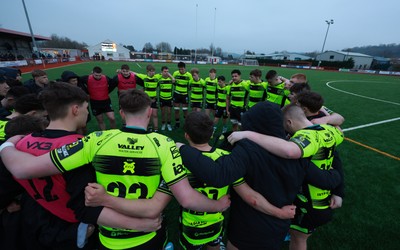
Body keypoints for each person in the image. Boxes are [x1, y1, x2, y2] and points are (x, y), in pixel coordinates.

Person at [1, 89, 230, 250]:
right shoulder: (165, 144)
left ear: (121, 113)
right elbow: (188, 199)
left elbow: (23, 169)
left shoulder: (95, 140)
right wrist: (218, 205)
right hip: (148, 233)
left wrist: (8, 143)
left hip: (109, 236)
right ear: (149, 112)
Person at [0, 83, 162, 249]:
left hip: (34, 221)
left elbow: (9, 182)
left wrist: (6, 145)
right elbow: (87, 206)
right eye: (86, 107)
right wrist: (138, 225)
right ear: (75, 110)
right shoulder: (81, 148)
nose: (87, 111)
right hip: (74, 229)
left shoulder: (21, 143)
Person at [177, 102, 342, 250]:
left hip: (246, 227)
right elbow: (326, 179)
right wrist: (337, 183)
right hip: (278, 227)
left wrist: (180, 148)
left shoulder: (246, 149)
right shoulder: (297, 153)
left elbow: (218, 174)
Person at [227, 103, 344, 250]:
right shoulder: (325, 135)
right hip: (303, 212)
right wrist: (336, 183)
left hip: (252, 224)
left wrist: (247, 134)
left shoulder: (301, 142)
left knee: (297, 239)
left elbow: (289, 152)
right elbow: (332, 167)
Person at [80, 66, 116, 130]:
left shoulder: (106, 78)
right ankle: (104, 135)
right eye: (96, 75)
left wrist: (108, 90)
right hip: (95, 103)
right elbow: (77, 81)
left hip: (106, 102)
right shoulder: (87, 78)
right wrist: (86, 92)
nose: (98, 77)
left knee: (112, 118)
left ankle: (113, 133)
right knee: (100, 121)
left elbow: (113, 82)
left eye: (100, 75)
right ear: (92, 73)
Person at [135, 64, 160, 132]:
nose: (152, 73)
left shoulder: (157, 77)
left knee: (155, 114)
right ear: (147, 72)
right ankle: (149, 127)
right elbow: (134, 73)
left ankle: (156, 129)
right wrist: (120, 71)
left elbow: (165, 74)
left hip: (154, 99)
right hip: (146, 99)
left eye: (153, 71)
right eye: (150, 71)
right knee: (147, 114)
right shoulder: (144, 77)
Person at [172, 62, 193, 129]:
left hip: (185, 95)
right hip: (176, 94)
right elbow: (174, 83)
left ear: (185, 68)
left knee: (185, 110)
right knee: (176, 110)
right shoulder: (175, 73)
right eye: (180, 69)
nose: (181, 70)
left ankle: (186, 124)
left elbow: (190, 86)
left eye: (182, 69)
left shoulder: (189, 75)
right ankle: (177, 123)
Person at [158, 66, 175, 131]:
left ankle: (168, 124)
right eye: (165, 71)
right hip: (162, 98)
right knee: (162, 112)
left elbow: (174, 80)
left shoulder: (171, 79)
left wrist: (170, 76)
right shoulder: (159, 79)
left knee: (169, 112)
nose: (166, 73)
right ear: (162, 72)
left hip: (169, 98)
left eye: (167, 71)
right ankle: (163, 124)